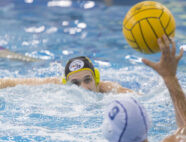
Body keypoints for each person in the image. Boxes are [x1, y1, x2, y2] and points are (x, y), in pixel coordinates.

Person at [0, 56, 131, 93]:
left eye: (87, 80)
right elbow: (13, 83)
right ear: (66, 83)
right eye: (75, 83)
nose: (84, 88)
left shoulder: (108, 89)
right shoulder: (57, 85)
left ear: (96, 78)